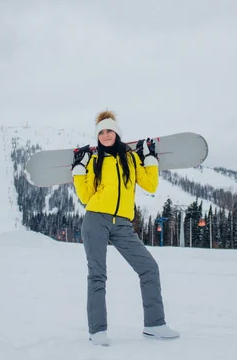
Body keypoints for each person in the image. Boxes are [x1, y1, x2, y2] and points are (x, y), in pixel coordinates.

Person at [72, 110, 180, 346]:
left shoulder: (130, 159)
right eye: (101, 132)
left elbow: (150, 184)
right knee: (97, 275)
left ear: (117, 133)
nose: (106, 135)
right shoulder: (94, 160)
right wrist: (79, 169)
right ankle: (97, 331)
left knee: (149, 268)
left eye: (109, 130)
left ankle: (155, 325)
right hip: (95, 219)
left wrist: (149, 158)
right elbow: (84, 195)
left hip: (122, 223)